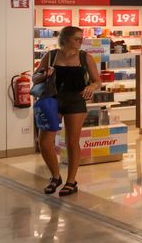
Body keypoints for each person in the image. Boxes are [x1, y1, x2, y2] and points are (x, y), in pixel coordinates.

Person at [33, 25, 100, 197]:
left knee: (72, 141)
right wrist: (44, 74)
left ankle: (71, 181)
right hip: (52, 99)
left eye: (81, 38)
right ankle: (55, 176)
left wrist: (92, 86)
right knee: (44, 141)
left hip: (75, 101)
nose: (80, 41)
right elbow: (35, 77)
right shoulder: (51, 56)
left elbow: (97, 81)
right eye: (76, 38)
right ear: (65, 39)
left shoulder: (85, 57)